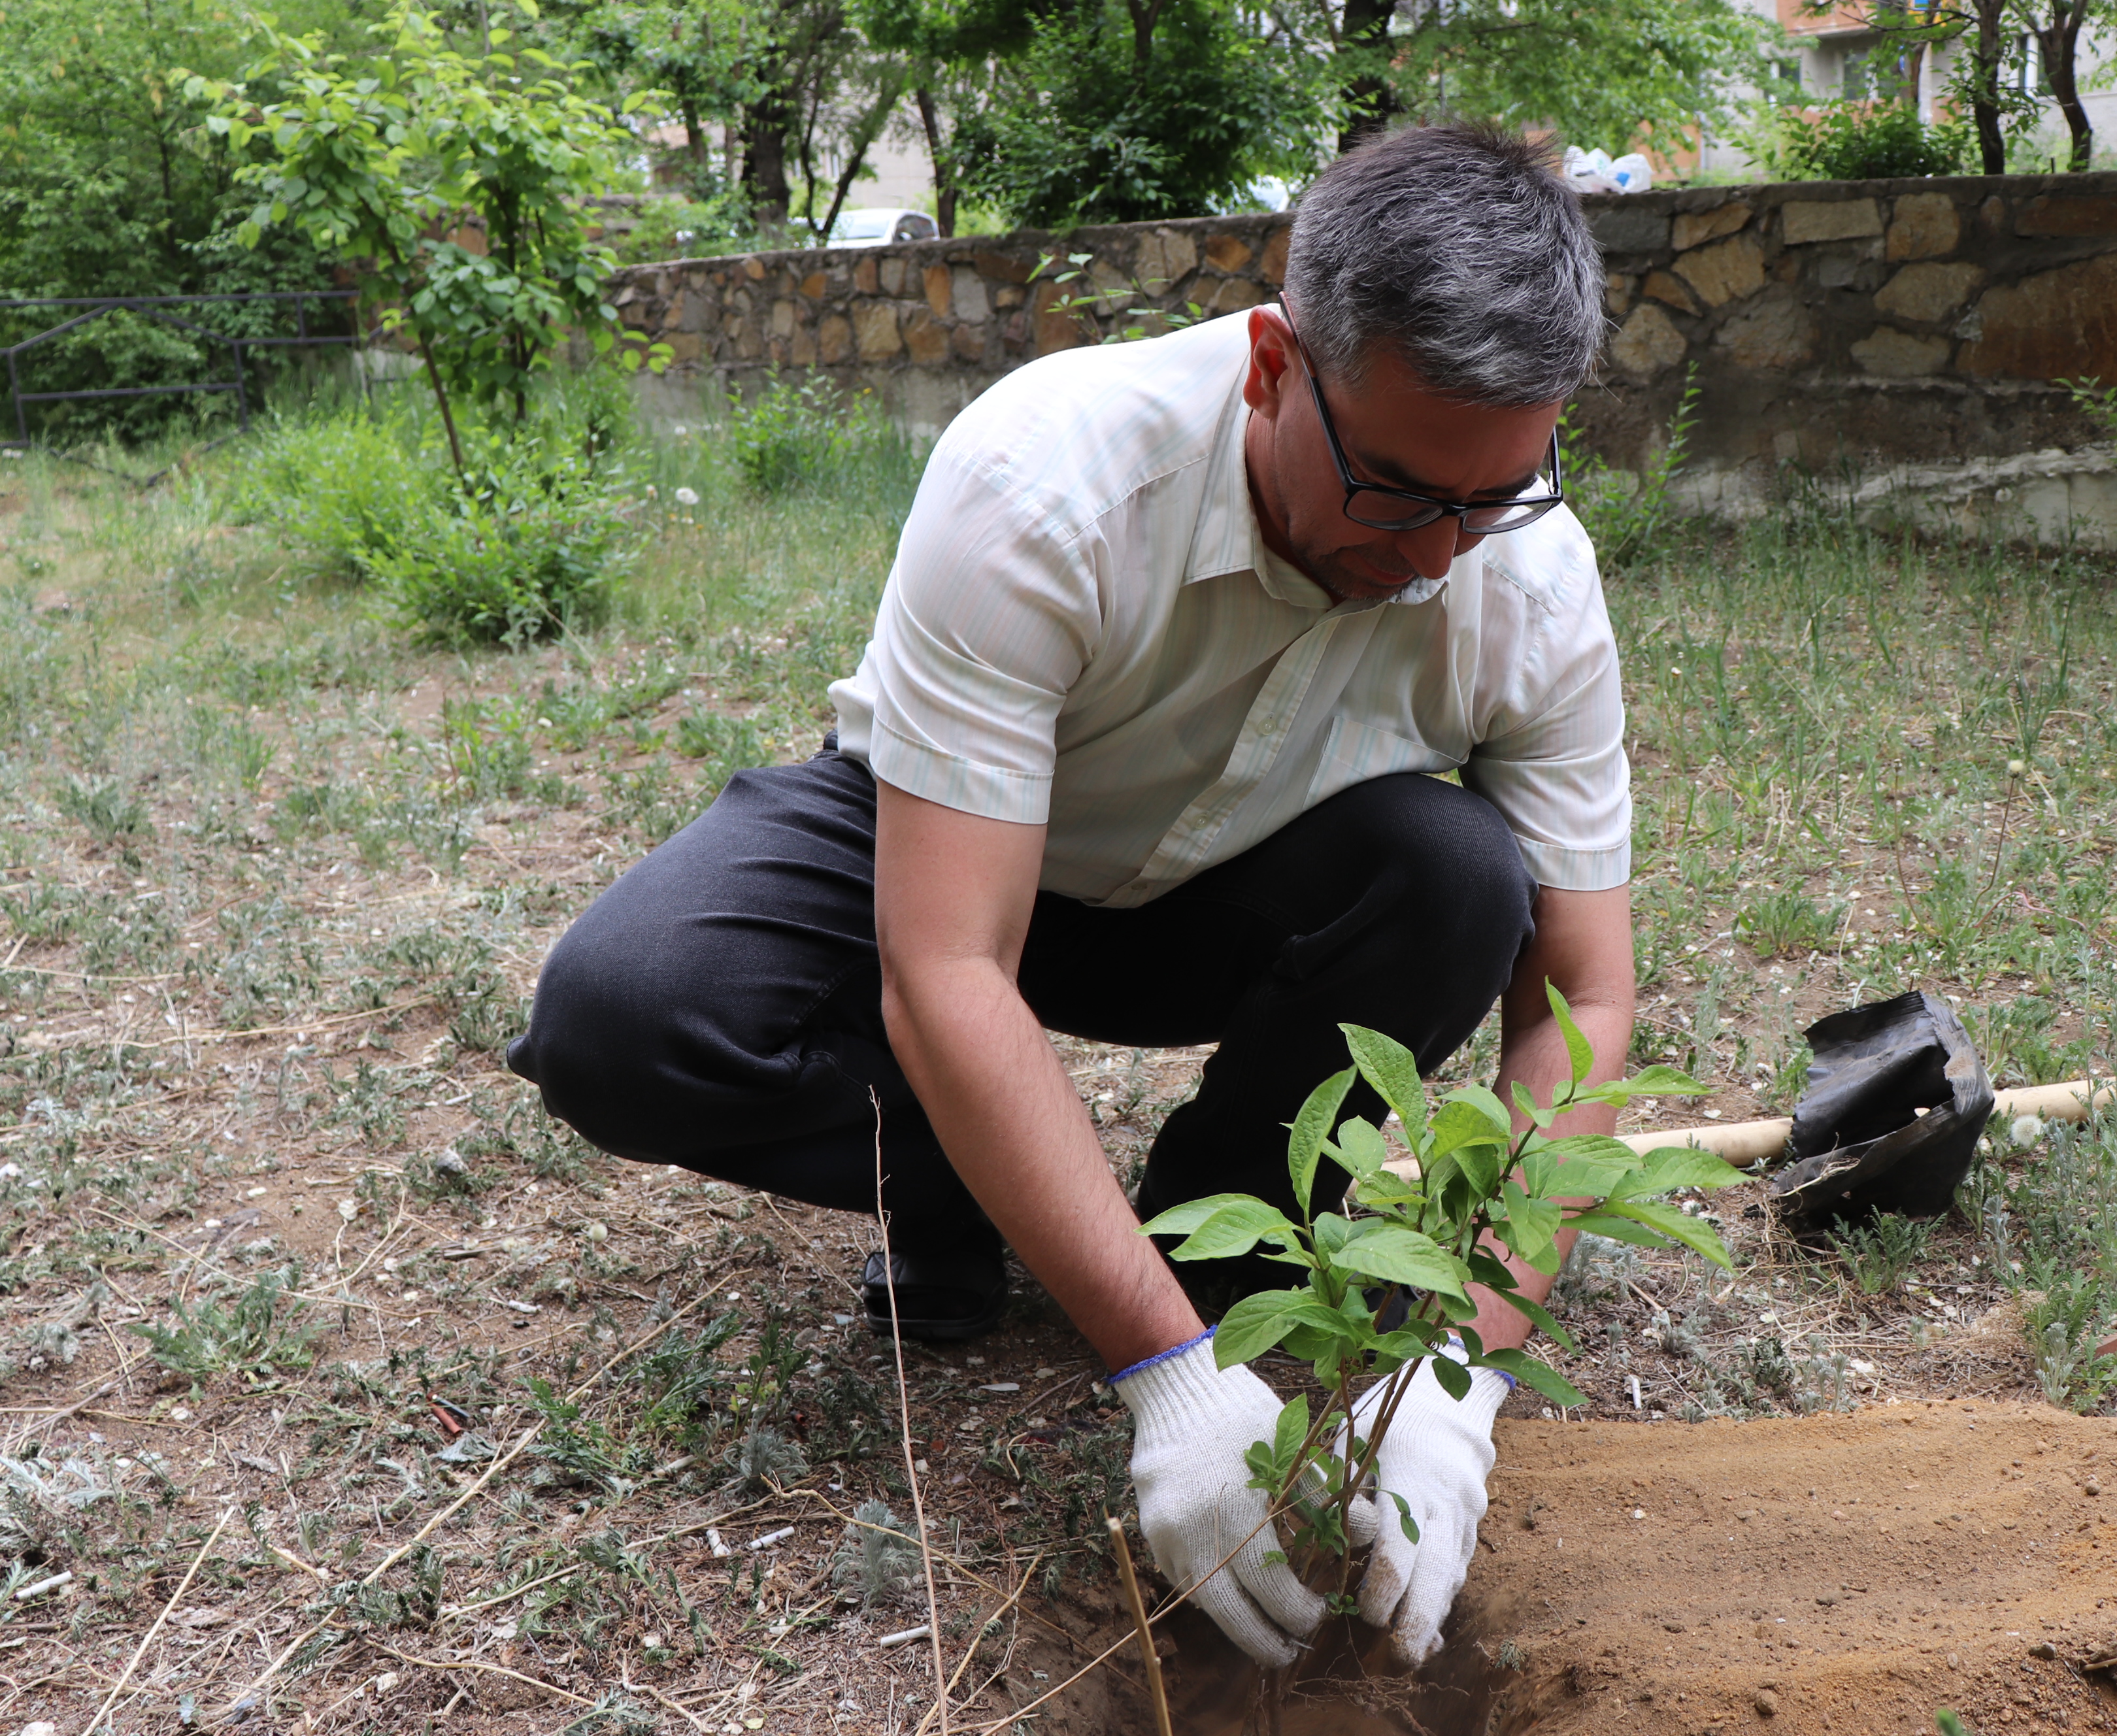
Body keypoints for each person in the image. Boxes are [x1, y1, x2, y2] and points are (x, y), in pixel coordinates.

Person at [507, 122, 1632, 1670]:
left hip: (1236, 882)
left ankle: (1214, 1222)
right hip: (962, 849)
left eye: (1493, 495)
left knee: (1462, 876)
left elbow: (1588, 1006)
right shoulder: (1047, 473)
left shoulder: (1530, 578)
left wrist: (1467, 1377)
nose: (1438, 553)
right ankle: (1027, 1213)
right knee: (624, 1019)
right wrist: (1166, 1369)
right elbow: (949, 961)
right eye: (1395, 490)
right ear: (1270, 366)